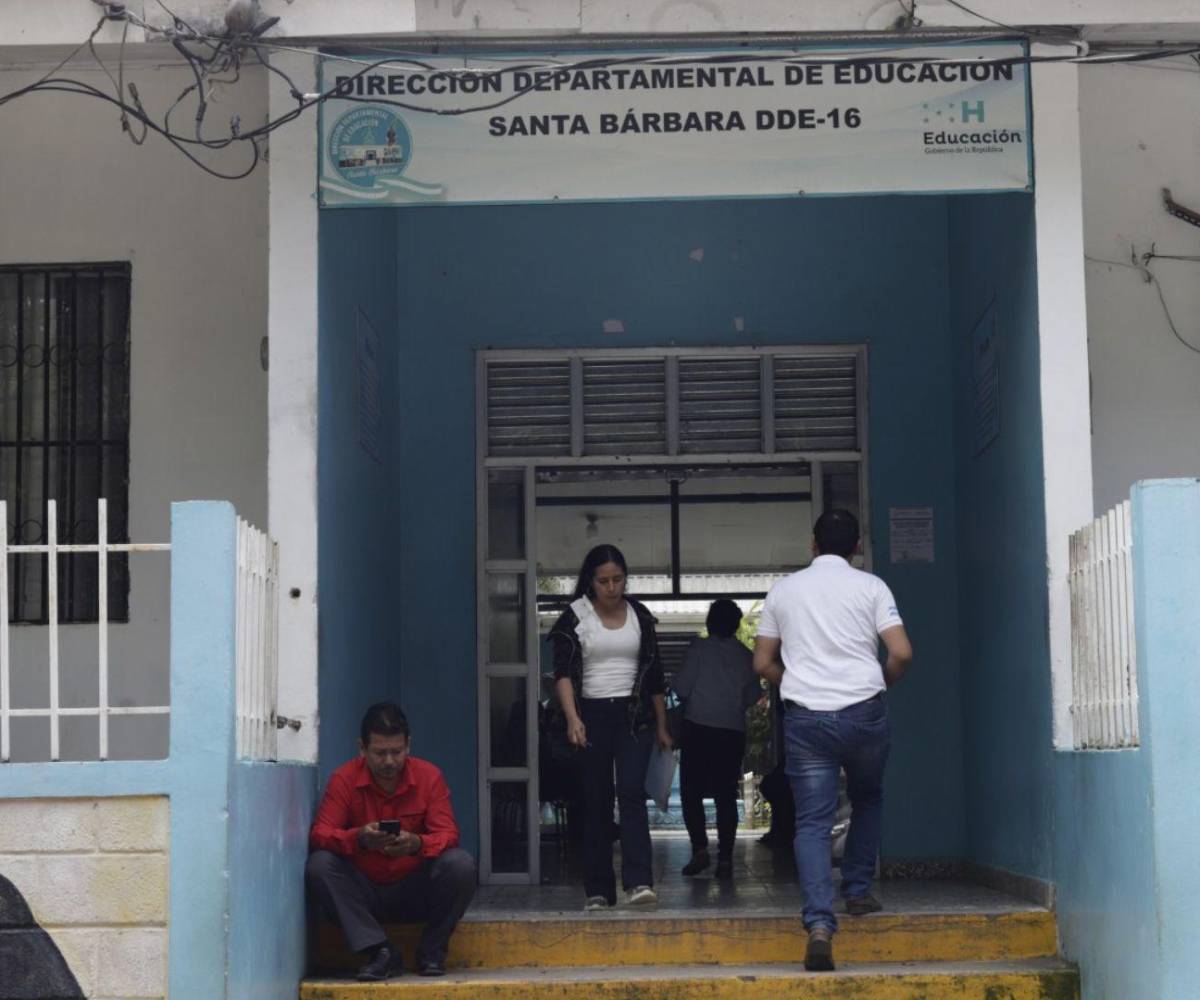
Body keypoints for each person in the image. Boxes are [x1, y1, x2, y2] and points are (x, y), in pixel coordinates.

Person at [753, 510, 913, 973]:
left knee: (811, 822)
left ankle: (820, 925)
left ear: (812, 544)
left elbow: (763, 663)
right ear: (857, 545)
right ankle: (858, 892)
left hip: (808, 720)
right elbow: (901, 651)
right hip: (864, 713)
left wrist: (796, 680)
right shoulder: (872, 587)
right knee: (868, 797)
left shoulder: (784, 590)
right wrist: (878, 682)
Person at [306, 703, 477, 981]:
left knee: (461, 865)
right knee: (319, 865)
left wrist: (417, 844)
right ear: (362, 748)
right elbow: (320, 834)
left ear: (409, 745)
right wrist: (358, 838)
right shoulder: (344, 780)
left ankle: (432, 951)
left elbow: (449, 835)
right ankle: (380, 952)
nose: (389, 762)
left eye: (396, 752)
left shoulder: (429, 777)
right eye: (380, 753)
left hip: (414, 888)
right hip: (363, 892)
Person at [549, 543, 672, 910]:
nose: (612, 587)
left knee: (632, 794)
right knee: (595, 801)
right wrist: (573, 718)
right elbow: (563, 674)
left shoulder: (640, 616)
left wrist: (663, 726)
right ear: (591, 580)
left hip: (633, 718)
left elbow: (655, 677)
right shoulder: (574, 618)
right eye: (604, 581)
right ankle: (598, 890)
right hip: (590, 716)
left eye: (618, 579)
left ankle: (639, 882)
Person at [672, 598, 762, 880]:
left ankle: (700, 850)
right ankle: (725, 859)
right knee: (725, 795)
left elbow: (682, 687)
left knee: (691, 792)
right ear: (736, 625)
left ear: (710, 623)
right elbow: (751, 697)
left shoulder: (698, 649)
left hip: (698, 728)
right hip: (731, 731)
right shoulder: (746, 656)